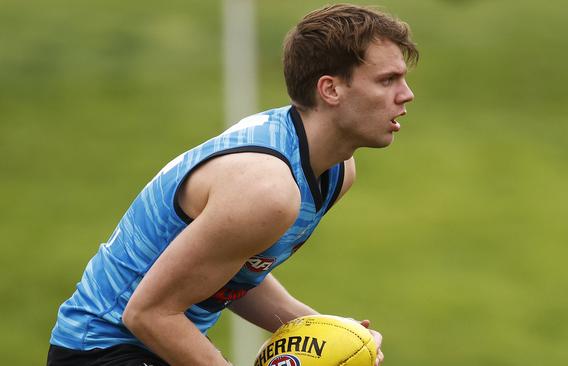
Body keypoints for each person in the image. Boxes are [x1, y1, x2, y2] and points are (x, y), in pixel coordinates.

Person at [47, 3, 418, 366]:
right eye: (387, 80)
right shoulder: (267, 190)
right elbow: (148, 314)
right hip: (100, 349)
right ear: (330, 90)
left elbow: (232, 271)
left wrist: (334, 337)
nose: (406, 94)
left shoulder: (335, 171)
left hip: (147, 345)